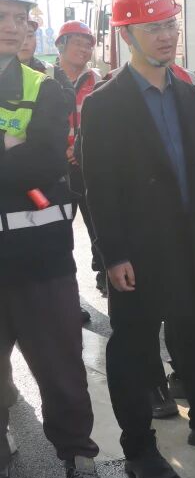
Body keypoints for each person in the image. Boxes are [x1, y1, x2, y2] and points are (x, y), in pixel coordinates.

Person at [80, 0, 195, 478]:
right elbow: (97, 188)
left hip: (192, 241)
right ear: (127, 34)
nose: (166, 35)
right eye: (152, 27)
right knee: (133, 349)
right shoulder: (103, 105)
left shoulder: (188, 94)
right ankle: (139, 449)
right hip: (139, 251)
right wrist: (112, 254)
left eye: (170, 24)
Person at [0, 0, 115, 478]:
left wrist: (21, 161)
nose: (11, 26)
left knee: (62, 369)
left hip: (41, 257)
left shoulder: (46, 89)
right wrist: (12, 153)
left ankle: (78, 461)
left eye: (19, 16)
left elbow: (46, 162)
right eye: (1, 15)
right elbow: (24, 165)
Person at [50, 20, 102, 319]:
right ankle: (69, 298)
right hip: (57, 171)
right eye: (78, 43)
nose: (84, 49)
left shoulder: (99, 80)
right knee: (60, 236)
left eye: (88, 45)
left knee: (101, 226)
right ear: (61, 45)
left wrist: (81, 150)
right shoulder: (47, 80)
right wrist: (62, 150)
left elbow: (105, 124)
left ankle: (108, 277)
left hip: (90, 167)